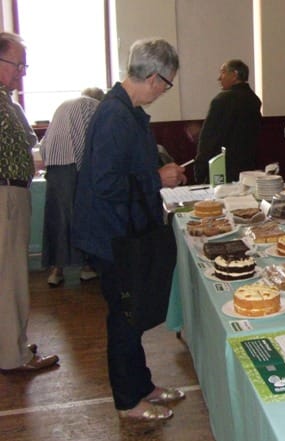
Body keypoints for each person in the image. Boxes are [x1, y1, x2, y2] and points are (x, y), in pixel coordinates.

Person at [72, 38, 187, 421]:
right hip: (111, 236)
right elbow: (106, 184)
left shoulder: (129, 111)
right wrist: (157, 178)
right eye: (167, 84)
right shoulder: (114, 115)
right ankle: (128, 402)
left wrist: (155, 175)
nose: (164, 91)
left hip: (124, 232)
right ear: (154, 78)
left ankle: (142, 385)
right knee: (124, 318)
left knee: (132, 314)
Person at [0, 32, 60, 373]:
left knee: (9, 274)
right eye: (17, 64)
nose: (22, 72)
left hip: (13, 193)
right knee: (9, 277)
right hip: (5, 195)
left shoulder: (6, 101)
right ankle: (14, 356)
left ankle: (12, 344)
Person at [39, 87, 104, 287]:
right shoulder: (94, 106)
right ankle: (86, 267)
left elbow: (44, 143)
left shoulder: (63, 106)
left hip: (53, 166)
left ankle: (56, 271)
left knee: (57, 218)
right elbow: (91, 140)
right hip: (74, 166)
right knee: (81, 217)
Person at [194, 59, 262, 184]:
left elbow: (209, 138)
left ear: (235, 75)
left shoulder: (222, 100)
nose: (219, 78)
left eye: (223, 72)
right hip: (248, 167)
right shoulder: (254, 100)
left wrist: (200, 167)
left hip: (222, 167)